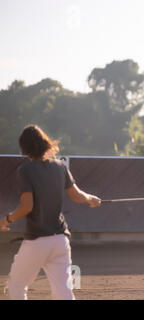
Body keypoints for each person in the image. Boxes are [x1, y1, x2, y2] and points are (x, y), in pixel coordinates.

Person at [0, 125, 101, 300]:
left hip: (37, 241)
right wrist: (91, 198)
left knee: (16, 284)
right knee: (64, 292)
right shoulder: (60, 167)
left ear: (24, 147)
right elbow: (77, 196)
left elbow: (27, 207)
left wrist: (6, 219)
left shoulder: (25, 170)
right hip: (61, 241)